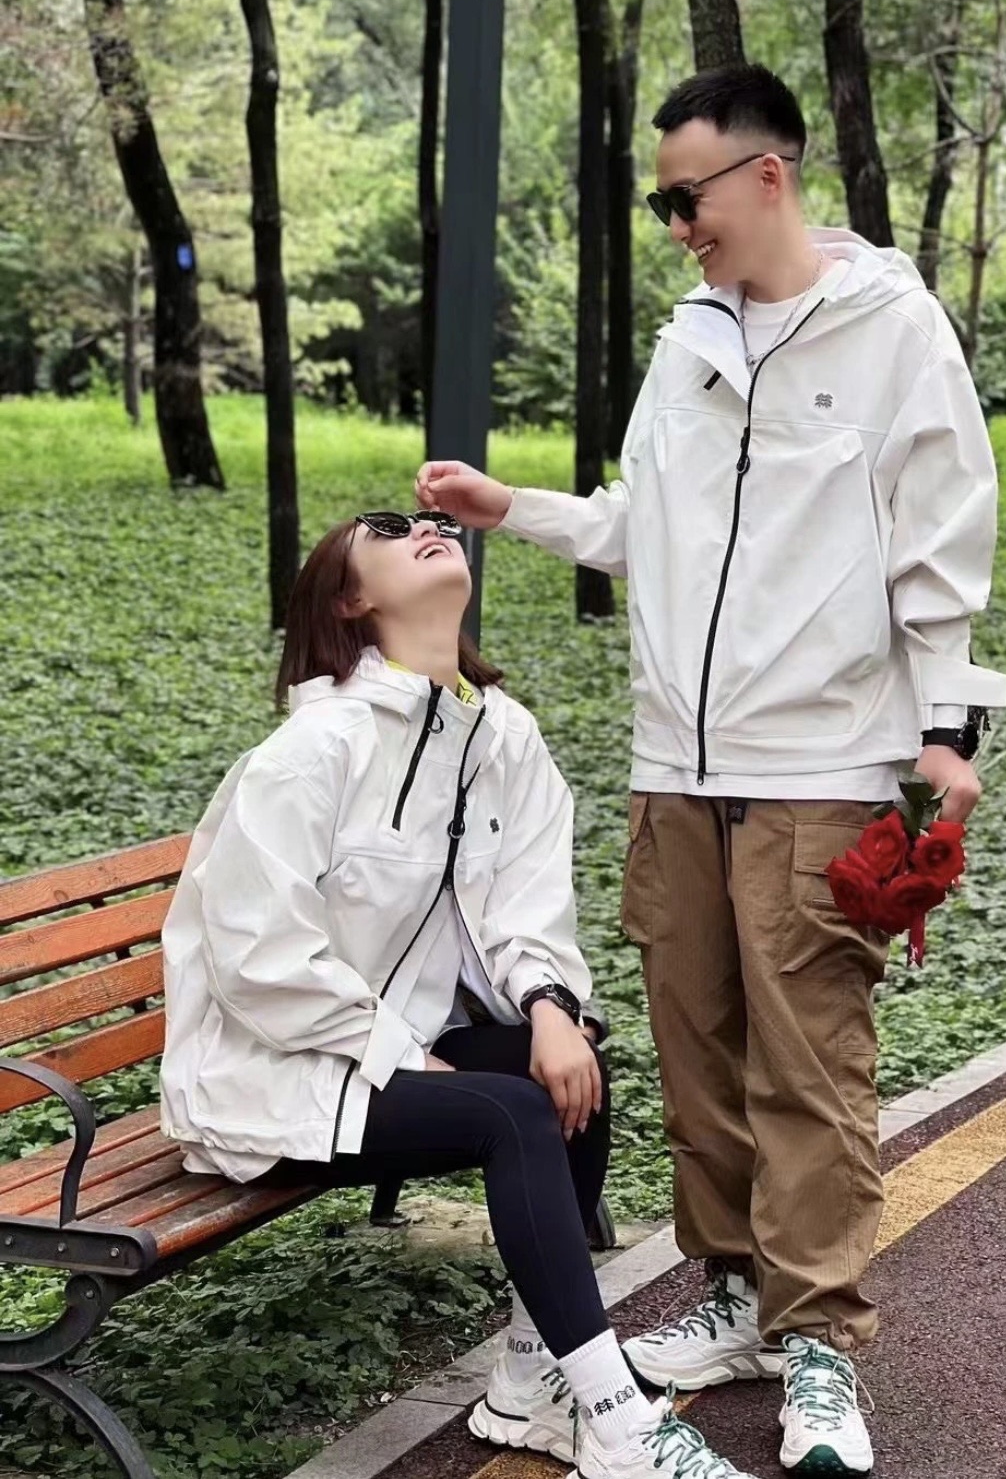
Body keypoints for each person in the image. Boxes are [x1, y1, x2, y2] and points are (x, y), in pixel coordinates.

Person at [417, 65, 1006, 1476]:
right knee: (697, 1061)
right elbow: (648, 523)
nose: (676, 227)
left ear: (766, 175)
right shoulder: (687, 342)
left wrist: (946, 736)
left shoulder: (892, 332)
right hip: (674, 769)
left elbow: (941, 543)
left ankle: (818, 1342)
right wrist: (514, 509)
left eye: (685, 200)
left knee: (809, 1068)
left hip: (824, 762)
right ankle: (738, 1294)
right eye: (661, 205)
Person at [159, 508, 759, 1479]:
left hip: (394, 1054)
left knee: (566, 1068)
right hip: (274, 1071)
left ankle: (529, 1381)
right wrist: (397, 1050)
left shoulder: (500, 734)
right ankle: (619, 1423)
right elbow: (256, 952)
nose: (428, 527)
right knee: (512, 1110)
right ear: (350, 599)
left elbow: (528, 903)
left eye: (437, 521)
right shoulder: (314, 749)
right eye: (391, 528)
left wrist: (552, 1011)